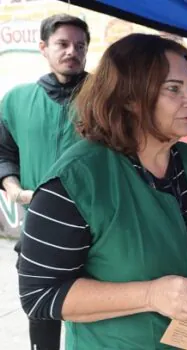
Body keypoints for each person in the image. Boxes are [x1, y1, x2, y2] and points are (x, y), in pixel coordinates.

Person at [17, 33, 187, 350]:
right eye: (173, 89)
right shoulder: (77, 180)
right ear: (129, 98)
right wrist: (151, 295)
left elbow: (183, 238)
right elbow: (39, 295)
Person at [0, 13, 90, 350]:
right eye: (63, 44)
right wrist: (12, 188)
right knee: (42, 317)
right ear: (43, 47)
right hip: (38, 229)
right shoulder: (16, 101)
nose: (72, 51)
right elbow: (3, 152)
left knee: (94, 315)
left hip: (98, 230)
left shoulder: (106, 99)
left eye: (79, 46)